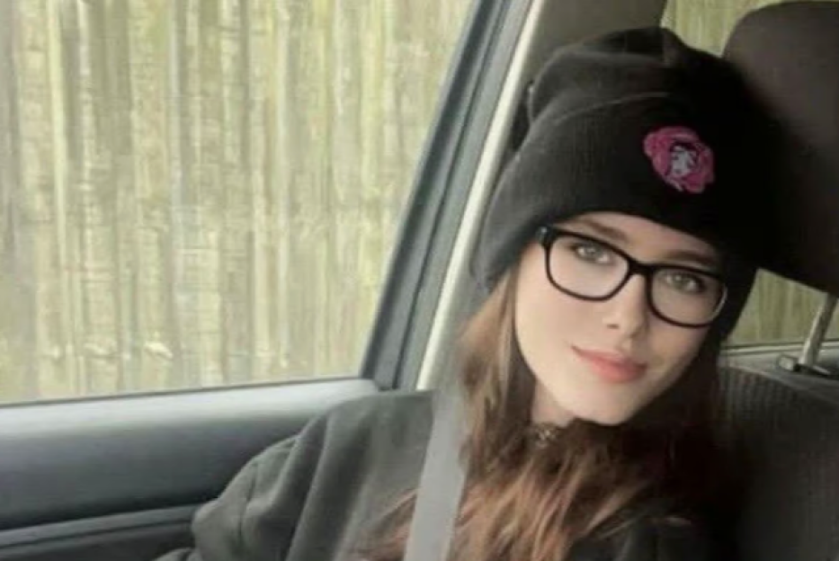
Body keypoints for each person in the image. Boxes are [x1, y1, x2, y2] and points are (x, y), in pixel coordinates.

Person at [156, 27, 767, 561]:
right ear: (512, 255)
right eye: (591, 252)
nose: (629, 316)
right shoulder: (351, 444)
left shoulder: (646, 542)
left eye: (684, 279)